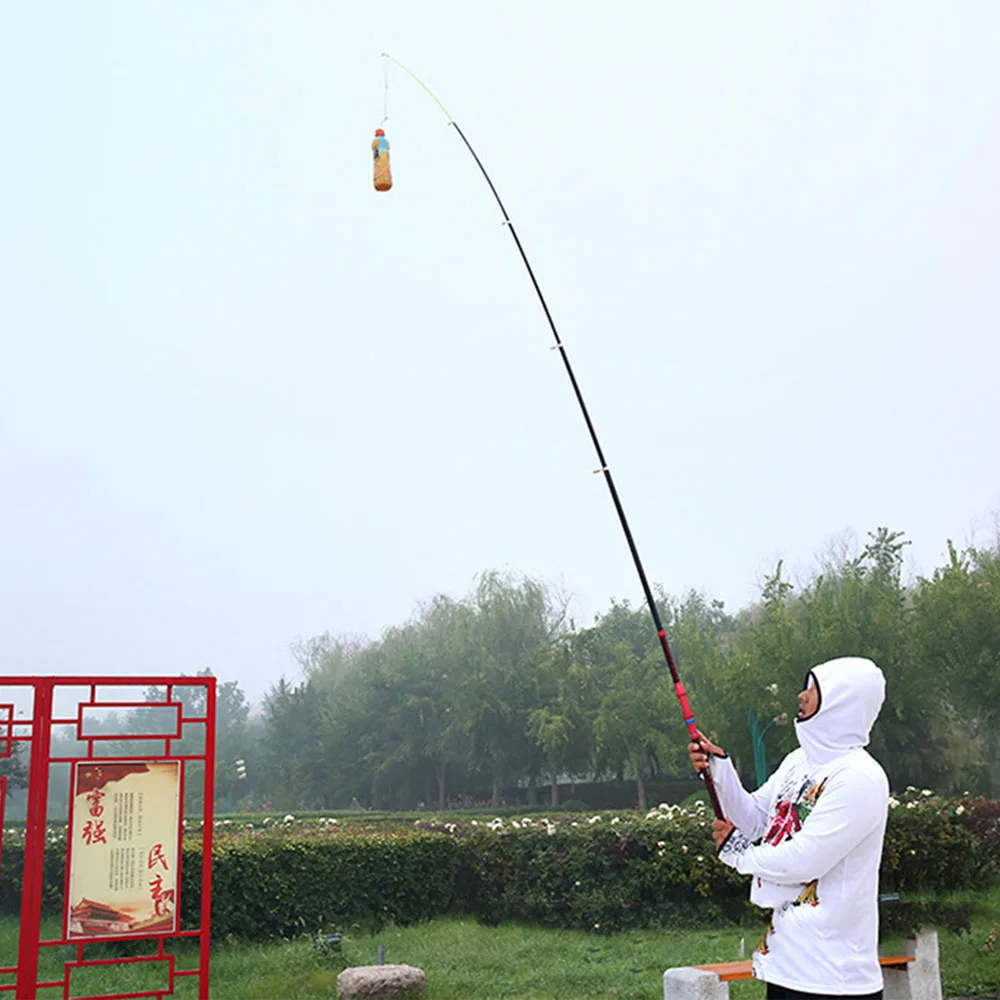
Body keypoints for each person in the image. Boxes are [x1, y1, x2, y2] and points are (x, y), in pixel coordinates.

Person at [689, 656, 889, 999]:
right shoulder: (798, 762)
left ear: (842, 701)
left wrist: (739, 855)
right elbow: (754, 819)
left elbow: (805, 860)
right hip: (786, 966)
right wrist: (718, 767)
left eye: (814, 689)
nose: (801, 695)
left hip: (833, 979)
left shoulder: (859, 777)